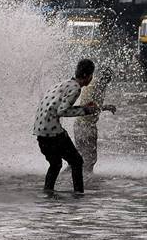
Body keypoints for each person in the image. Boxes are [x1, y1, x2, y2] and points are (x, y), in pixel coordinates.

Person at [33, 59, 99, 194]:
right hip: (52, 134)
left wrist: (83, 107)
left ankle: (48, 194)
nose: (92, 79)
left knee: (55, 164)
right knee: (77, 162)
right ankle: (79, 195)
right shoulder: (76, 88)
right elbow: (62, 111)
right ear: (87, 76)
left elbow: (56, 107)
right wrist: (86, 111)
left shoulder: (63, 84)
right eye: (91, 75)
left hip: (40, 133)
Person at [73, 67, 117, 175]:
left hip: (80, 125)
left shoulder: (95, 84)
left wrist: (104, 107)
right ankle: (88, 183)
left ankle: (69, 179)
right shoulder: (95, 86)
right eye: (107, 80)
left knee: (79, 157)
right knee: (90, 159)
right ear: (103, 78)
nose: (107, 83)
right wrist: (106, 107)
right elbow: (88, 107)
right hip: (86, 126)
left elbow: (90, 105)